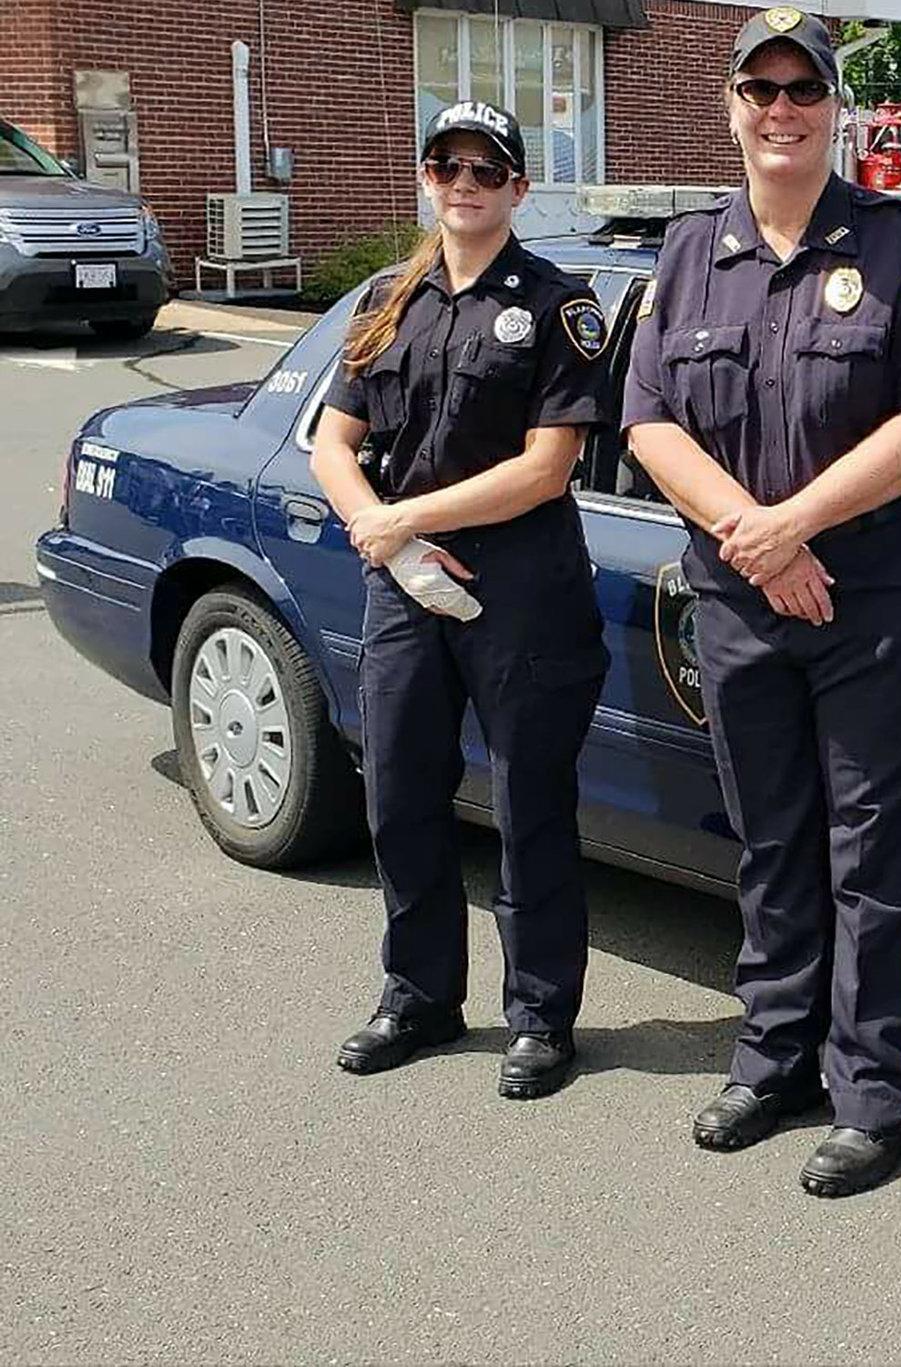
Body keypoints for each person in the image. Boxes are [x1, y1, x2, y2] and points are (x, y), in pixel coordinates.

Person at [622, 6, 901, 1198]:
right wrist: (756, 537)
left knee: (872, 851)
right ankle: (771, 1058)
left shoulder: (897, 243)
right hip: (738, 594)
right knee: (769, 837)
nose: (779, 111)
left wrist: (796, 524)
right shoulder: (684, 254)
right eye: (758, 90)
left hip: (876, 593)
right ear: (729, 107)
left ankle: (878, 1093)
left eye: (801, 90)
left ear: (836, 109)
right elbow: (646, 422)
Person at [312, 100, 611, 1101]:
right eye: (446, 164)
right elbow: (333, 443)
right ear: (426, 179)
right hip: (402, 585)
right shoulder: (385, 303)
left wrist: (407, 518)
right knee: (396, 791)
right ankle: (419, 996)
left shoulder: (559, 304)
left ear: (518, 187)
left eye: (486, 168)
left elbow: (546, 466)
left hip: (521, 585)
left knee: (530, 803)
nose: (464, 182)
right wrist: (381, 530)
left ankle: (540, 1016)